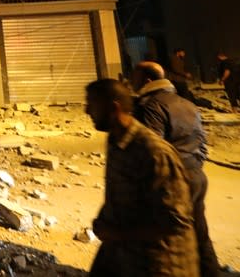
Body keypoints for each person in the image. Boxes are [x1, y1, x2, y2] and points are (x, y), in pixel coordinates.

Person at [85, 78, 198, 277]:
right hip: (125, 253)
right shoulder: (116, 141)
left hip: (160, 264)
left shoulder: (154, 152)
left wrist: (118, 234)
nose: (86, 111)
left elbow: (176, 220)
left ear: (114, 108)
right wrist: (105, 220)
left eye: (92, 104)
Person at [130, 61, 219, 277]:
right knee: (199, 234)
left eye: (135, 76)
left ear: (147, 80)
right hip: (196, 175)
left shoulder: (151, 106)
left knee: (166, 244)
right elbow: (202, 143)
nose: (131, 81)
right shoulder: (187, 104)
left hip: (172, 181)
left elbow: (153, 149)